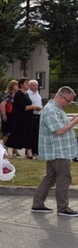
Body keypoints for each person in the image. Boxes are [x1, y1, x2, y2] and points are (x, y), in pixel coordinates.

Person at [31, 87, 78, 217]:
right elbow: (58, 131)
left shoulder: (56, 109)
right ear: (61, 97)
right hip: (58, 151)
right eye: (69, 101)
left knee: (50, 178)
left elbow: (60, 125)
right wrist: (74, 122)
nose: (70, 104)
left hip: (58, 150)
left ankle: (38, 204)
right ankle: (63, 208)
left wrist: (70, 120)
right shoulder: (51, 110)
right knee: (64, 178)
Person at [5, 77, 37, 158]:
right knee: (17, 134)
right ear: (21, 85)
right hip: (20, 119)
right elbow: (23, 107)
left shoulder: (26, 94)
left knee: (29, 134)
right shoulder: (19, 94)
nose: (28, 84)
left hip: (28, 118)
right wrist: (32, 106)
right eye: (26, 83)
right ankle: (5, 148)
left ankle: (29, 153)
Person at [0, 79, 18, 151]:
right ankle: (5, 148)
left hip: (14, 114)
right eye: (16, 85)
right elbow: (3, 104)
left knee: (14, 131)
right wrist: (4, 114)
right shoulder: (8, 94)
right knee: (7, 132)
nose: (17, 86)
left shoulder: (16, 94)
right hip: (8, 114)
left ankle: (15, 149)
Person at [26, 79, 43, 158]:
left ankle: (36, 149)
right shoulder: (28, 94)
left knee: (37, 133)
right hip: (31, 115)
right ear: (29, 86)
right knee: (31, 133)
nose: (36, 87)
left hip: (38, 114)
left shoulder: (37, 93)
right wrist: (34, 108)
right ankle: (30, 150)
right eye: (34, 85)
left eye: (37, 85)